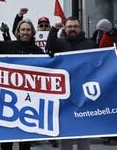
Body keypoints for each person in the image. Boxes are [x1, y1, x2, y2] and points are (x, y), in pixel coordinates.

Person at [46, 16, 97, 150]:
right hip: (65, 94)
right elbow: (49, 47)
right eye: (69, 26)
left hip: (84, 94)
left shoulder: (90, 43)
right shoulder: (60, 43)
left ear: (80, 28)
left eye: (75, 26)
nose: (72, 29)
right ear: (65, 28)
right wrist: (53, 30)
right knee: (66, 130)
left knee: (84, 131)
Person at [0, 19, 45, 150]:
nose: (25, 32)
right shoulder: (8, 46)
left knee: (25, 139)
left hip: (28, 100)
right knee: (7, 138)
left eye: (28, 30)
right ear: (18, 32)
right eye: (23, 30)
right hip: (9, 99)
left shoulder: (37, 51)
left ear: (32, 32)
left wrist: (51, 57)